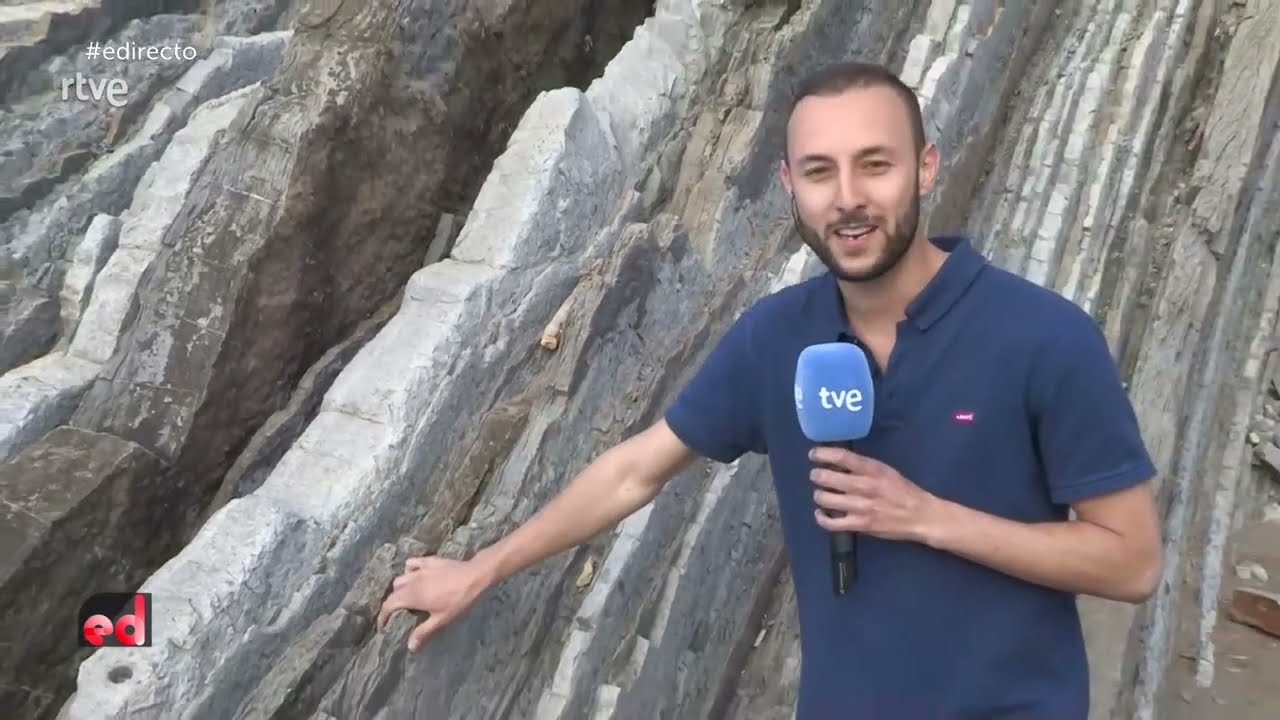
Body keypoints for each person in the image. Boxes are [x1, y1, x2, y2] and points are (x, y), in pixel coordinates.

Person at [376, 60, 1163, 718]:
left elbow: (1131, 564)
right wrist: (484, 567)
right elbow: (635, 470)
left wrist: (928, 518)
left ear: (926, 165)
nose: (848, 197)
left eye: (876, 164)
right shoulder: (776, 337)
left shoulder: (1046, 338)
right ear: (789, 184)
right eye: (820, 172)